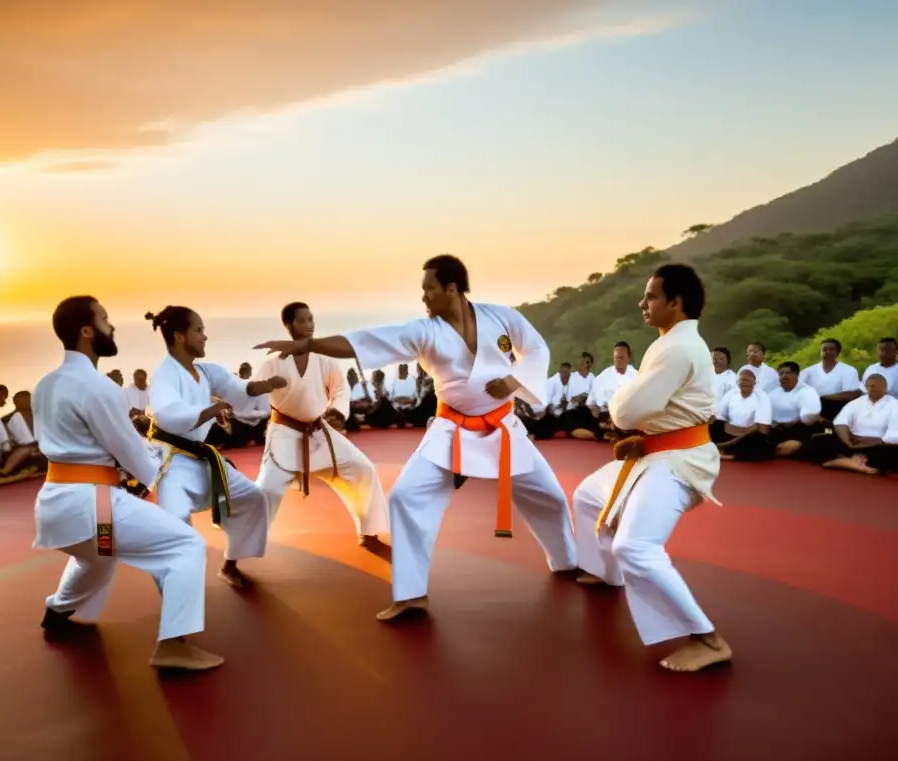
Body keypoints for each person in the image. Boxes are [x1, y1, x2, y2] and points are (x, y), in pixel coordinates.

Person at [255, 254, 577, 620]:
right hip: (451, 430)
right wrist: (310, 345)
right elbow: (368, 340)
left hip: (503, 427)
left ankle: (567, 562)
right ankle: (411, 595)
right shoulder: (427, 331)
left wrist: (513, 381)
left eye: (429, 288)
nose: (423, 296)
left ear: (451, 288)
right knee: (406, 497)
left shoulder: (502, 317)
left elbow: (537, 350)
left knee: (549, 495)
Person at [33, 295, 221, 671]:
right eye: (104, 319)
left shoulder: (45, 384)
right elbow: (132, 455)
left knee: (99, 556)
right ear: (87, 331)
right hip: (93, 505)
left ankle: (58, 608)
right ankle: (172, 646)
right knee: (187, 544)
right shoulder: (98, 387)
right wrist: (161, 459)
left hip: (56, 505)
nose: (111, 325)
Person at [570, 264, 732, 673]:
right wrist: (644, 435)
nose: (643, 303)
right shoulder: (669, 343)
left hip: (679, 462)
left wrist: (624, 404)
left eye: (652, 297)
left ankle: (708, 639)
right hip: (656, 451)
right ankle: (607, 573)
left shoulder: (677, 348)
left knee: (635, 547)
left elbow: (626, 410)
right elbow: (659, 410)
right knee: (587, 495)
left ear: (675, 304)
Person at [146, 306, 285, 587]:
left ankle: (230, 564)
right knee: (176, 530)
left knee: (253, 498)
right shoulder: (164, 376)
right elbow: (168, 415)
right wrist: (212, 410)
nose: (205, 336)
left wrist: (265, 385)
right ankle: (174, 602)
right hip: (172, 463)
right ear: (179, 336)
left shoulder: (207, 373)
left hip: (201, 457)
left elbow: (239, 389)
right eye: (198, 330)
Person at [255, 302, 388, 545]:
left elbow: (340, 389)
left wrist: (336, 411)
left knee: (363, 469)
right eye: (303, 320)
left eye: (311, 319)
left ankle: (368, 531)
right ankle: (233, 557)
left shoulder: (324, 360)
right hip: (284, 435)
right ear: (289, 325)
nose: (310, 325)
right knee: (266, 490)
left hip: (318, 432)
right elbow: (252, 394)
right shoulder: (272, 364)